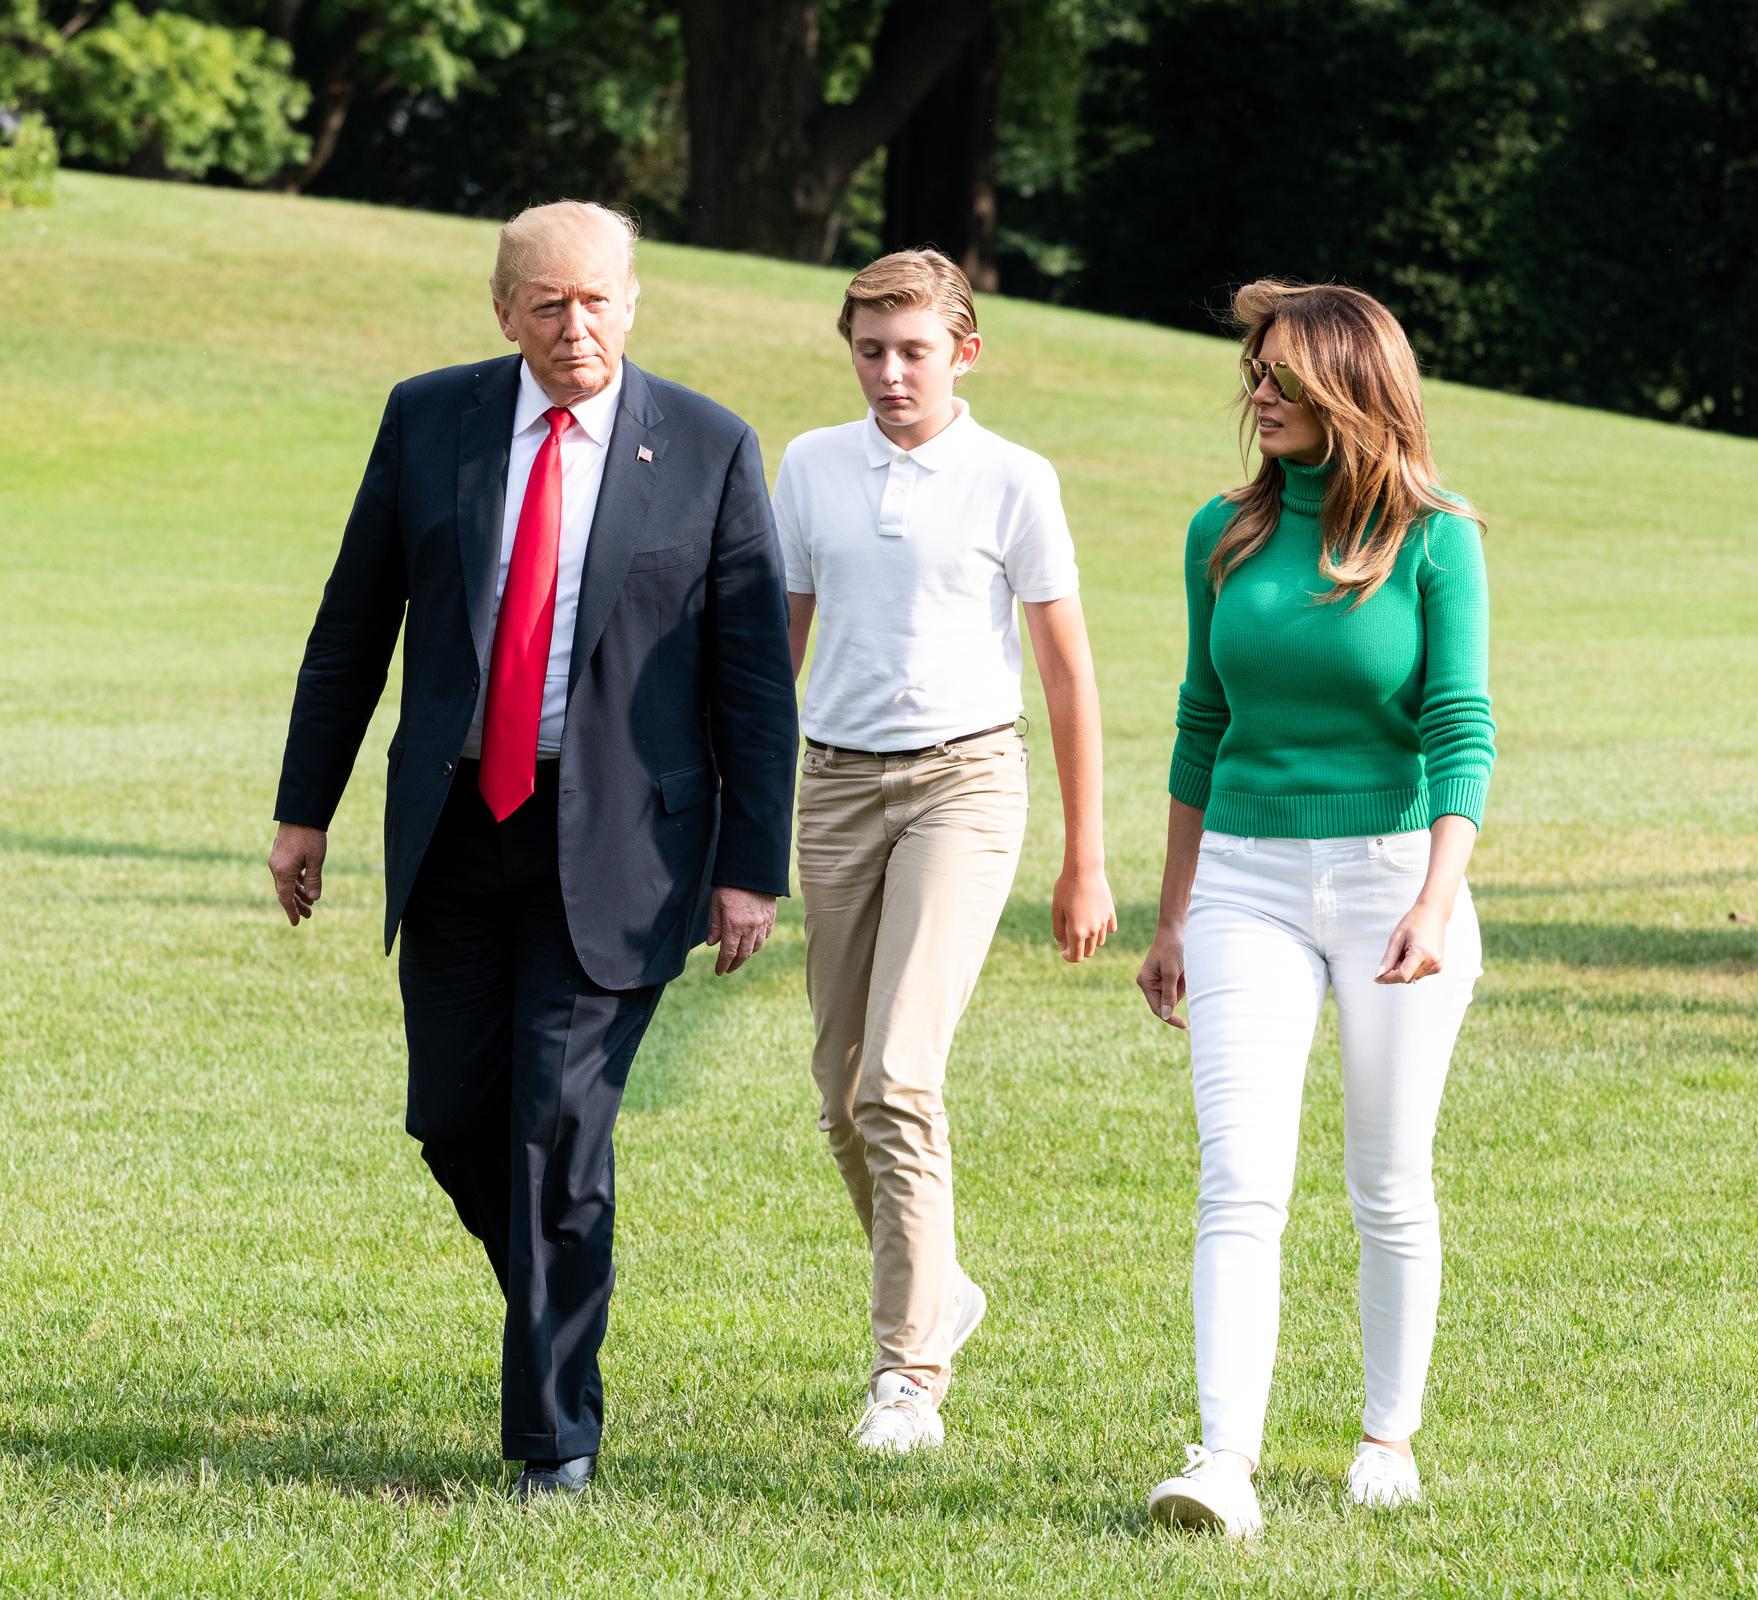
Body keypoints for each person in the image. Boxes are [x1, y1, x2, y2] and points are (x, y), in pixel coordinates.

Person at [266, 200, 797, 1501]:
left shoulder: (713, 446)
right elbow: (353, 627)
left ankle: (554, 1441)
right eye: (549, 305)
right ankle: (566, 1293)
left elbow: (752, 681)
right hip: (457, 827)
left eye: (599, 300)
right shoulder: (428, 419)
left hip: (621, 845)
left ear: (635, 300)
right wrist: (304, 807)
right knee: (456, 1117)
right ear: (503, 310)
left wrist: (750, 865)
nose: (578, 330)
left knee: (557, 1132)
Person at [1136, 279, 1494, 1537]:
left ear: (1354, 386)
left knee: (1388, 1181)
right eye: (1255, 371)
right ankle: (1222, 1458)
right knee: (1239, 1178)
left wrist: (1439, 900)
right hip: (1244, 884)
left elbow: (1461, 728)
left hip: (1401, 882)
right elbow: (1200, 722)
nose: (1258, 392)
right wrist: (1172, 915)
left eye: (1283, 375)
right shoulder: (1219, 536)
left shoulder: (1438, 538)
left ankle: (1386, 1434)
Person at [773, 249, 1118, 1454]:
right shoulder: (810, 466)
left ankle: (908, 1377)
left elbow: (1069, 673)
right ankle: (942, 1287)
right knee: (838, 1093)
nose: (890, 372)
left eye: (914, 349)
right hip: (833, 787)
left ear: (963, 352)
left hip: (966, 785)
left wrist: (1087, 858)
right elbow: (779, 655)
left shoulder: (1015, 479)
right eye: (870, 349)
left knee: (898, 1078)